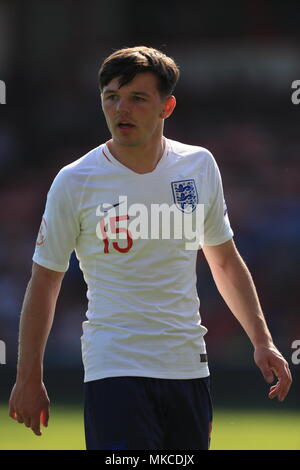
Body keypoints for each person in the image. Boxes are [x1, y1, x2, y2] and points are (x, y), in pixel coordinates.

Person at [9, 46, 292, 450]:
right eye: (111, 97)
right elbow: (45, 281)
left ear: (167, 106)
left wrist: (262, 341)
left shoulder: (199, 166)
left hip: (188, 366)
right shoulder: (75, 181)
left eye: (137, 98)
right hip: (114, 367)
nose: (121, 109)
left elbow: (225, 262)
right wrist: (27, 376)